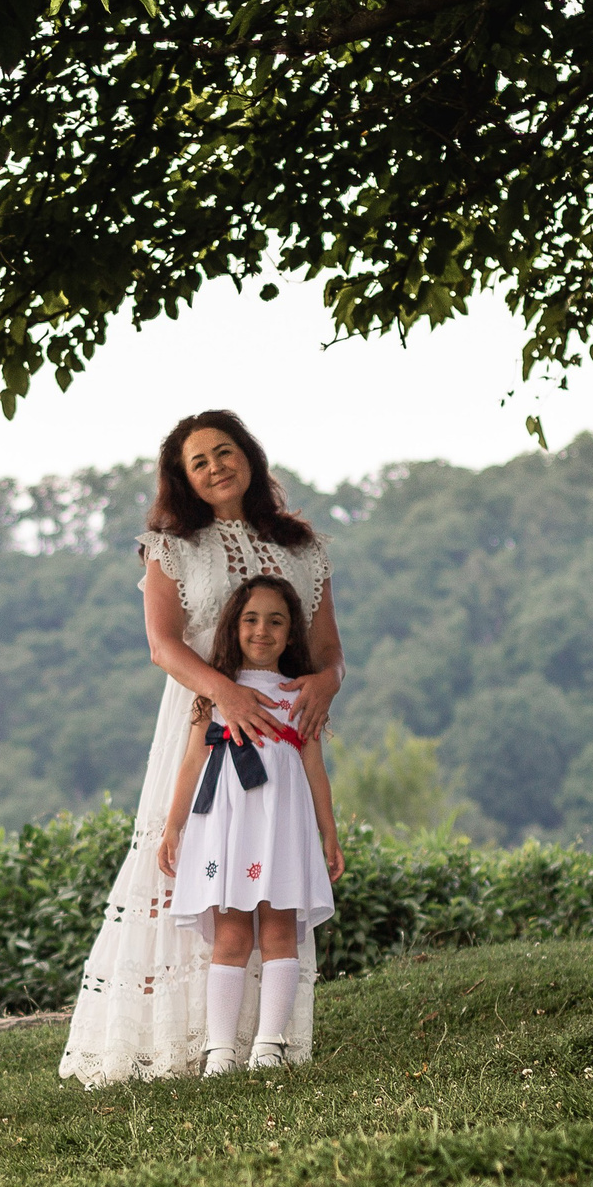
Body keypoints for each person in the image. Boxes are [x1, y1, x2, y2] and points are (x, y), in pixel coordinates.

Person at [58, 411, 344, 1086]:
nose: (216, 466)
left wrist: (326, 685)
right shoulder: (173, 547)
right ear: (183, 477)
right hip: (201, 718)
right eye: (199, 461)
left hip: (282, 725)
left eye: (225, 451)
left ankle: (266, 1039)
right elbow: (163, 645)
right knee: (187, 864)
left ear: (247, 455)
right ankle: (187, 1040)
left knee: (273, 882)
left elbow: (328, 648)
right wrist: (224, 694)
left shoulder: (305, 549)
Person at [157, 578, 344, 1073]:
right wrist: (174, 827)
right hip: (227, 824)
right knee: (231, 933)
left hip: (281, 824)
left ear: (290, 634)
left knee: (282, 928)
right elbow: (192, 763)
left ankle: (270, 1044)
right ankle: (220, 1049)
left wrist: (329, 832)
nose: (263, 630)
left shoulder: (298, 694)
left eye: (276, 621)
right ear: (234, 626)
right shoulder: (216, 691)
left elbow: (314, 768)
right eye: (251, 619)